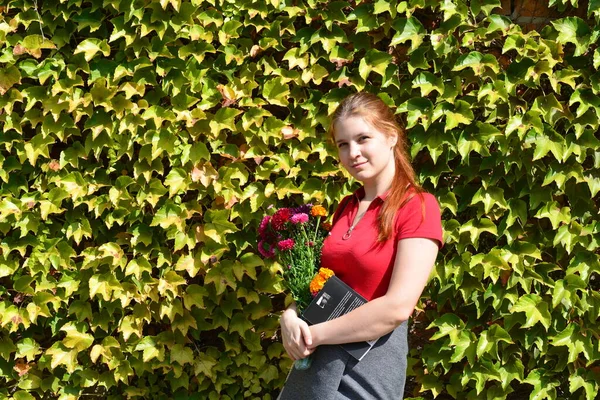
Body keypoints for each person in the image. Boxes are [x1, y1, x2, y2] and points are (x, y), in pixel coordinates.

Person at [277, 92, 443, 400]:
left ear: (391, 136)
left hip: (367, 368)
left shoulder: (418, 206)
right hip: (317, 368)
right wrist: (289, 316)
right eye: (343, 144)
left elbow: (397, 307)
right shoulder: (345, 208)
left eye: (363, 138)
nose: (353, 152)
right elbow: (319, 285)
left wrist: (315, 334)